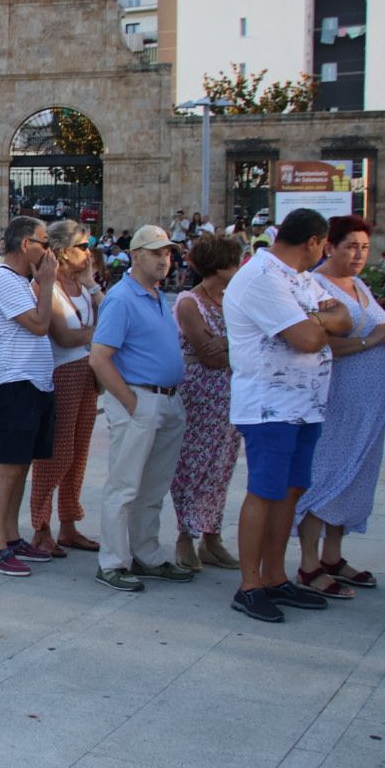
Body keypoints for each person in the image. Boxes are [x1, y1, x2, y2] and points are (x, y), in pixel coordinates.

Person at [223, 207, 353, 623]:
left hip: (306, 404)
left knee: (292, 491)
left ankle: (276, 577)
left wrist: (319, 319)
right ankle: (249, 585)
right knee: (264, 491)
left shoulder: (302, 279)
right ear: (314, 242)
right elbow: (309, 339)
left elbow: (346, 320)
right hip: (269, 405)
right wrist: (320, 320)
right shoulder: (262, 276)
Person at [292, 217, 385, 598]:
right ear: (330, 247)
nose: (358, 255)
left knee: (356, 474)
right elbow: (317, 342)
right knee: (327, 473)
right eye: (351, 247)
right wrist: (372, 341)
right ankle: (308, 562)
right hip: (337, 400)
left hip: (370, 402)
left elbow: (375, 329)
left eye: (365, 248)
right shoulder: (317, 287)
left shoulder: (358, 286)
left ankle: (333, 555)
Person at [86, 225, 194, 591]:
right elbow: (100, 358)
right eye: (156, 253)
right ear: (136, 256)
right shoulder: (122, 298)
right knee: (125, 484)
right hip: (140, 399)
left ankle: (147, 554)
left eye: (168, 253)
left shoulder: (155, 295)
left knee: (153, 486)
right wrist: (133, 404)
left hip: (166, 400)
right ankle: (113, 562)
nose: (165, 259)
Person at [0, 216, 58, 577]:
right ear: (26, 244)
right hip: (14, 383)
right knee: (9, 465)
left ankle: (10, 536)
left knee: (22, 464)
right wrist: (49, 282)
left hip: (34, 383)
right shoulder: (3, 280)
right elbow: (41, 325)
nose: (49, 251)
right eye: (44, 242)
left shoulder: (21, 282)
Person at [27, 221, 103, 557]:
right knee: (58, 452)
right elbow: (64, 336)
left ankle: (69, 523)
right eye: (83, 246)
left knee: (79, 451)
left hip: (87, 372)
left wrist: (92, 286)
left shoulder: (83, 287)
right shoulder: (48, 288)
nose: (88, 252)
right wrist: (96, 333)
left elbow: (111, 317)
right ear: (62, 251)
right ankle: (41, 525)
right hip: (62, 373)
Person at [169, 235, 244, 571]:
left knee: (221, 467)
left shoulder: (235, 300)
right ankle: (185, 534)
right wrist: (238, 341)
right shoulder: (190, 303)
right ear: (220, 265)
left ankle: (211, 536)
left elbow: (221, 348)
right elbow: (207, 353)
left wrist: (224, 344)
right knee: (192, 467)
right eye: (235, 260)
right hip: (199, 396)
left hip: (231, 398)